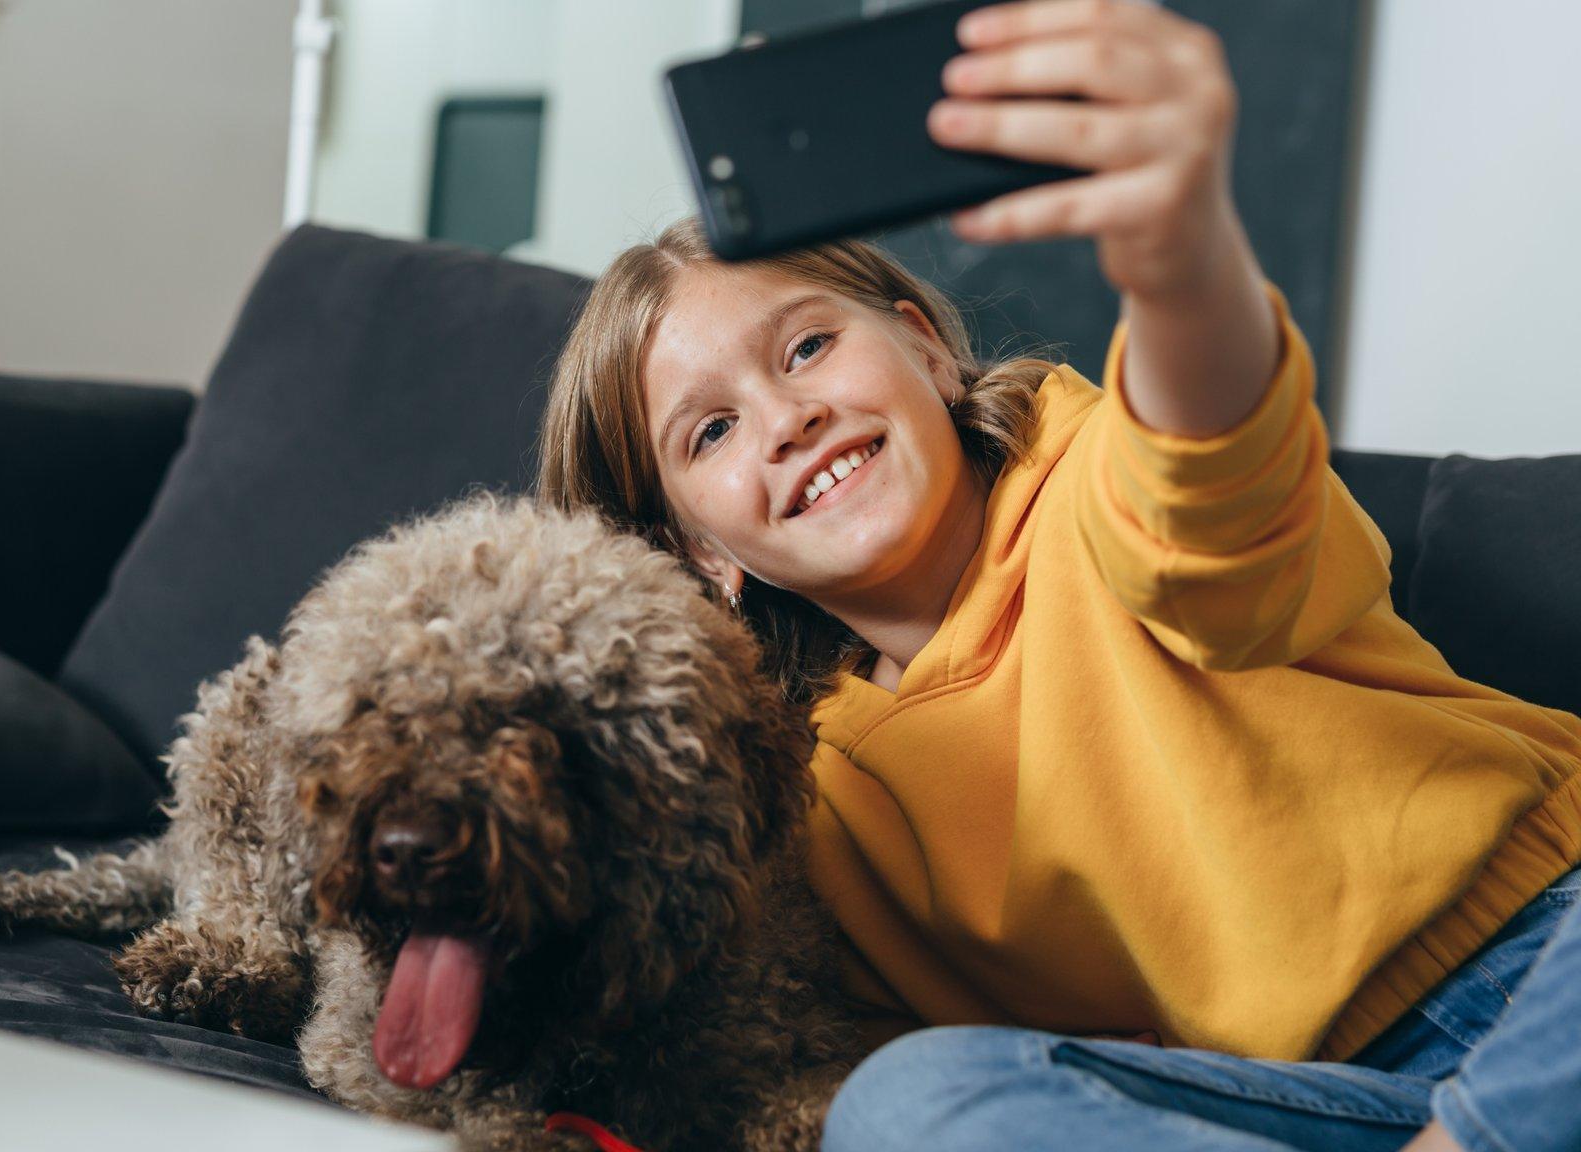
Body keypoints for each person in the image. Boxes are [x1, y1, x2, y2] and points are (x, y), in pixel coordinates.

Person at [531, 2, 1581, 1150]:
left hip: (1543, 963)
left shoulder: (1095, 478)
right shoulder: (812, 801)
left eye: (807, 346)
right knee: (899, 1106)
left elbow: (1207, 483)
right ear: (702, 552)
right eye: (711, 431)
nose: (787, 416)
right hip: (1321, 1107)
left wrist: (1177, 259)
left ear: (927, 346)